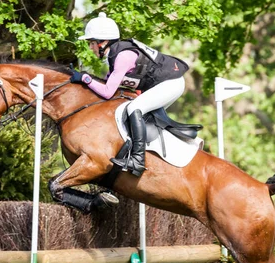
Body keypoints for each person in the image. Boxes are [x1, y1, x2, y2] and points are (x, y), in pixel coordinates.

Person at [70, 12, 189, 177]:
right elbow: (108, 85)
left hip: (171, 83)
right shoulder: (115, 55)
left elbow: (107, 92)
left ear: (103, 42)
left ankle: (138, 160)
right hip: (163, 84)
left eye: (92, 43)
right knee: (140, 112)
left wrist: (85, 78)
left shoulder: (122, 57)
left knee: (135, 107)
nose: (90, 48)